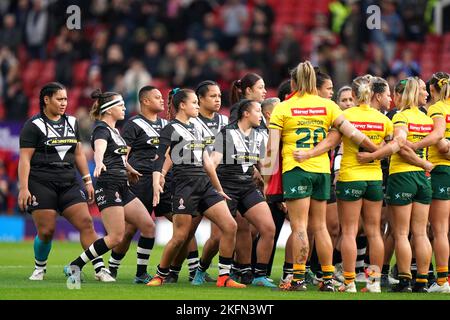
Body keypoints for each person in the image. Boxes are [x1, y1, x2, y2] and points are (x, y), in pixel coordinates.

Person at [266, 60, 379, 291]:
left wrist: (267, 182)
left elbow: (270, 150)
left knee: (299, 227)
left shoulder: (283, 108)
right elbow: (351, 133)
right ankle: (327, 279)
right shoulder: (327, 106)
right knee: (320, 227)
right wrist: (376, 150)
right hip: (321, 172)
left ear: (294, 82)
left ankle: (297, 279)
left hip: (296, 170)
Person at [146, 88, 244, 288]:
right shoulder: (170, 128)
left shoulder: (198, 128)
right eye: (194, 103)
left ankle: (224, 278)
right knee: (181, 236)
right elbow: (160, 158)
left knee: (230, 226)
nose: (198, 107)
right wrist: (158, 181)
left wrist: (218, 189)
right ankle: (160, 274)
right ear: (182, 105)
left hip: (205, 185)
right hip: (184, 185)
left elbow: (207, 162)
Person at [18, 82, 114, 282]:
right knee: (46, 231)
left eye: (66, 99)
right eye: (59, 99)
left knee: (87, 223)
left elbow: (78, 153)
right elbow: (25, 159)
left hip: (69, 182)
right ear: (46, 100)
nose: (64, 103)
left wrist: (87, 181)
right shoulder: (33, 125)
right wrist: (24, 188)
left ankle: (99, 269)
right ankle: (39, 268)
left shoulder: (72, 121)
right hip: (41, 183)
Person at [65, 89, 156, 285]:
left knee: (148, 226)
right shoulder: (101, 129)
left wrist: (130, 169)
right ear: (108, 110)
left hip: (122, 186)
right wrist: (98, 163)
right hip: (108, 185)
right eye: (120, 104)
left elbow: (120, 158)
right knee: (115, 237)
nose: (124, 107)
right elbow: (100, 150)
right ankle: (75, 265)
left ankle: (141, 274)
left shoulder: (116, 131)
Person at [357, 77, 434, 292]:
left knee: (400, 233)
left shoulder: (400, 117)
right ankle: (422, 280)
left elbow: (399, 145)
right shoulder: (426, 118)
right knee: (420, 232)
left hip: (402, 177)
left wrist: (375, 154)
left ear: (402, 94)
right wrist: (424, 163)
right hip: (423, 179)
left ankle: (404, 279)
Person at [193, 99, 276, 288]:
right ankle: (202, 268)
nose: (261, 115)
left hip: (247, 187)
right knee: (217, 238)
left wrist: (266, 186)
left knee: (268, 228)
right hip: (226, 187)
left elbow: (262, 163)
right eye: (257, 111)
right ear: (246, 113)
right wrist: (216, 189)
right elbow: (212, 164)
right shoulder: (227, 133)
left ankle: (259, 275)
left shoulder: (260, 135)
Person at [332, 75, 394, 293]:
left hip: (350, 175)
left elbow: (332, 142)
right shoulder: (384, 119)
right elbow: (389, 150)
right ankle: (373, 282)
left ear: (355, 95)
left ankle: (349, 282)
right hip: (375, 179)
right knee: (374, 232)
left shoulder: (345, 115)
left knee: (348, 231)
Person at [167, 80, 229, 284]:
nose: (218, 99)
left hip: (211, 181)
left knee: (223, 231)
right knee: (185, 235)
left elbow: (222, 152)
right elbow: (169, 155)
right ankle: (171, 271)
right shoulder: (189, 123)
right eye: (213, 96)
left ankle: (202, 269)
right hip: (190, 182)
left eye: (220, 95)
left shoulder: (224, 122)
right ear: (200, 100)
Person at [105, 86, 168, 284]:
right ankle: (113, 268)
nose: (162, 100)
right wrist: (128, 172)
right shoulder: (134, 124)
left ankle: (185, 269)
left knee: (181, 222)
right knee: (130, 229)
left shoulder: (166, 124)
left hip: (162, 181)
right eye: (157, 97)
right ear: (146, 101)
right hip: (140, 181)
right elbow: (123, 154)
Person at [228, 72, 267, 284]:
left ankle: (242, 268)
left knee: (249, 228)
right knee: (237, 228)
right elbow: (237, 145)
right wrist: (255, 168)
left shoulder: (257, 114)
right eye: (261, 87)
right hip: (234, 180)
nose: (264, 91)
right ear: (249, 91)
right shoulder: (240, 111)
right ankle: (234, 269)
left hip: (249, 179)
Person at [419, 72, 450, 293]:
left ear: (431, 90)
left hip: (440, 170)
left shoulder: (436, 109)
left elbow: (439, 143)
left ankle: (441, 281)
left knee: (439, 229)